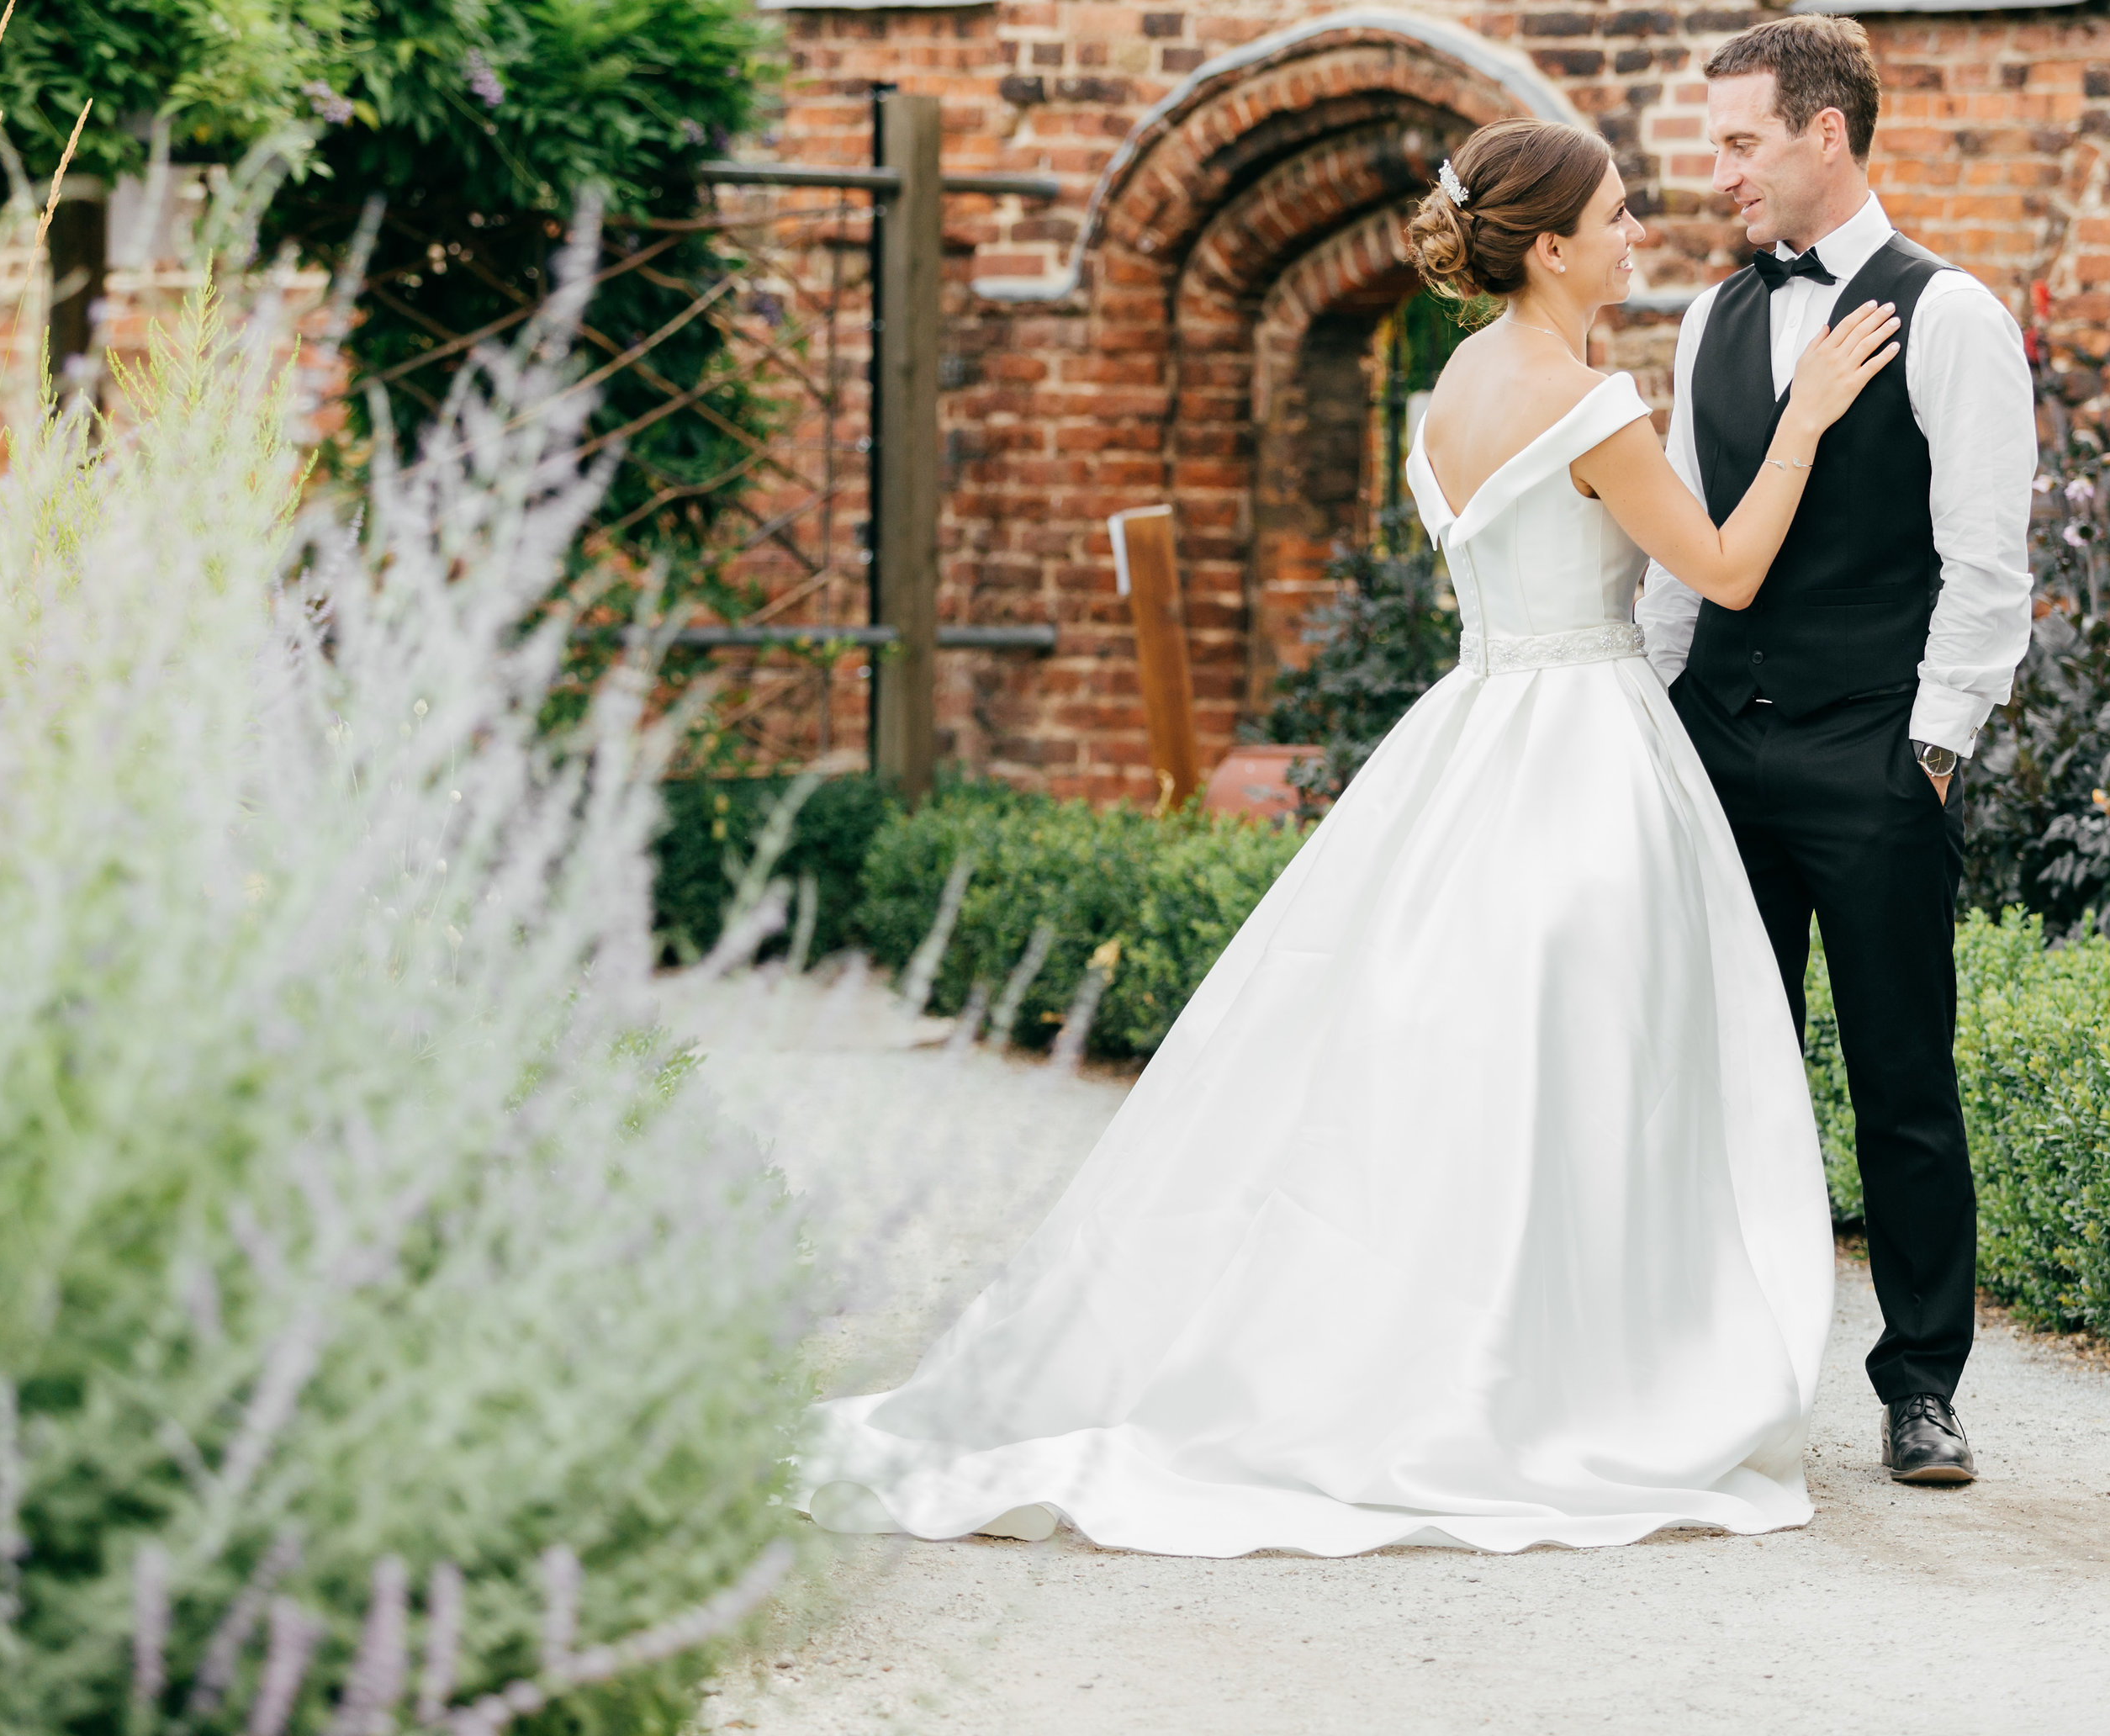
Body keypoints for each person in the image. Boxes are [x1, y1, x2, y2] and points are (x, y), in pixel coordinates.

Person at [791, 117, 1905, 1556]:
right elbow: (1731, 569)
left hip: (1470, 732)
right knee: (1581, 1065)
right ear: (1553, 245)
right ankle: (1555, 1375)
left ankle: (1461, 1342)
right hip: (1583, 753)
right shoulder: (1588, 404)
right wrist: (1808, 414)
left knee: (1450, 1064)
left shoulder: (1446, 387)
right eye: (1621, 216)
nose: (1643, 234)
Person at [1638, 14, 2037, 1488]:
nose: (1718, 171)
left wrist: (1928, 755)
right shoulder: (1708, 319)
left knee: (1901, 1083)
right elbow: (1685, 550)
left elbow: (1985, 566)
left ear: (1826, 133)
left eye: (1741, 140)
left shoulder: (1954, 316)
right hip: (1719, 756)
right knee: (1719, 1073)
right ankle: (1708, 1373)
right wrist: (1655, 728)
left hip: (1874, 761)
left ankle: (1920, 1387)